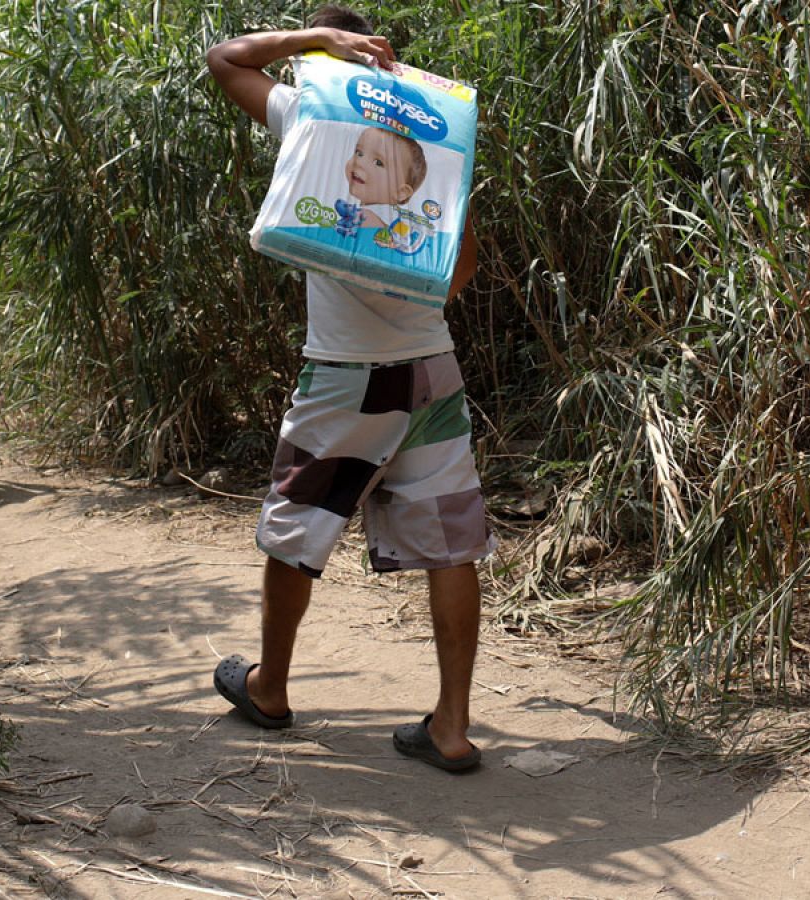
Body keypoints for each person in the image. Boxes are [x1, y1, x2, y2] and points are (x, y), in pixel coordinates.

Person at [204, 4, 493, 772]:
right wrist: (411, 304)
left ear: (326, 63)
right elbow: (463, 264)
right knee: (450, 543)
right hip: (432, 370)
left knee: (296, 527)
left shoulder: (313, 114)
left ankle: (270, 689)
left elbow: (226, 58)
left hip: (345, 376)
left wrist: (311, 40)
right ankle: (452, 727)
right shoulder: (437, 141)